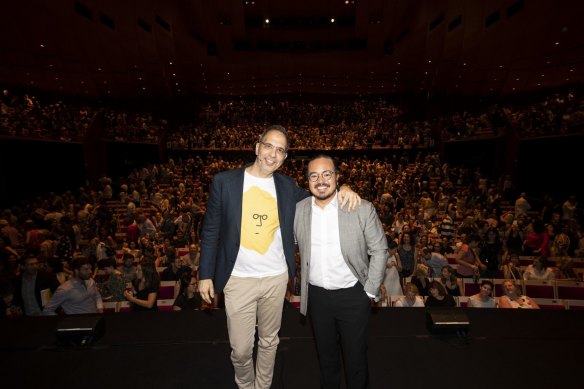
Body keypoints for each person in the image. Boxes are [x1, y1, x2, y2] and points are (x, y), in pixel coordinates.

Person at [198, 125, 360, 389]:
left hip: (275, 278)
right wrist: (205, 274)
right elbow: (211, 229)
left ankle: (262, 386)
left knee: (269, 341)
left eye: (280, 150)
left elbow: (319, 195)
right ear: (257, 146)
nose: (273, 154)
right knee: (240, 349)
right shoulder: (224, 182)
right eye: (269, 146)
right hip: (238, 278)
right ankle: (245, 385)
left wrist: (345, 187)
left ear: (285, 157)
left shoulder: (287, 186)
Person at [294, 154, 387, 389]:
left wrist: (369, 292)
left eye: (327, 174)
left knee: (355, 359)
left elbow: (380, 250)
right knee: (326, 359)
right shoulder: (298, 210)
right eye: (314, 175)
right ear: (307, 180)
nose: (321, 180)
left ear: (337, 176)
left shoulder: (360, 208)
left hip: (353, 297)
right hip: (317, 298)